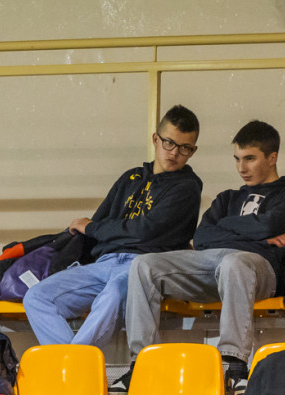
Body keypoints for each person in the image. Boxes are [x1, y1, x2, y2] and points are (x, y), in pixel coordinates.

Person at [122, 120, 285, 393]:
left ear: (273, 158)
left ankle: (233, 364)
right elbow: (201, 238)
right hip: (211, 263)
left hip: (259, 268)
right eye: (237, 159)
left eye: (250, 159)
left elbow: (268, 226)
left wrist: (237, 230)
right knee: (143, 265)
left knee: (235, 262)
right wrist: (255, 232)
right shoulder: (227, 198)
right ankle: (143, 364)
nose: (241, 168)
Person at [24, 104, 203, 348]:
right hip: (104, 262)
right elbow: (99, 224)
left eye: (184, 148)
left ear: (193, 151)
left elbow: (144, 231)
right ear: (155, 139)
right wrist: (99, 230)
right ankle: (77, 367)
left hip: (143, 267)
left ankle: (74, 370)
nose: (174, 153)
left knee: (109, 298)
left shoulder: (187, 187)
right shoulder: (131, 177)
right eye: (169, 143)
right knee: (36, 297)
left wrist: (100, 229)